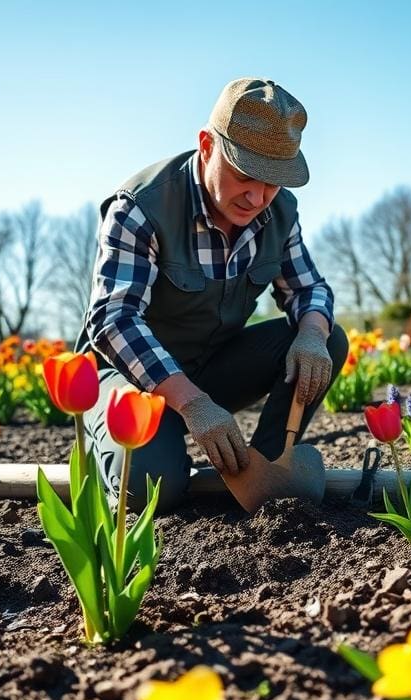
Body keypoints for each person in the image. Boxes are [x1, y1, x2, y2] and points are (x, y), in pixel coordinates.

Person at [77, 77, 348, 513]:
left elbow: (309, 288)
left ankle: (263, 469)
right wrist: (194, 404)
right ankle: (106, 444)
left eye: (274, 182)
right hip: (130, 379)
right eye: (245, 175)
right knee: (151, 492)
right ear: (206, 144)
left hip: (212, 364)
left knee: (328, 338)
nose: (258, 196)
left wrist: (313, 335)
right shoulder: (143, 206)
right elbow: (114, 320)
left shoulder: (276, 212)